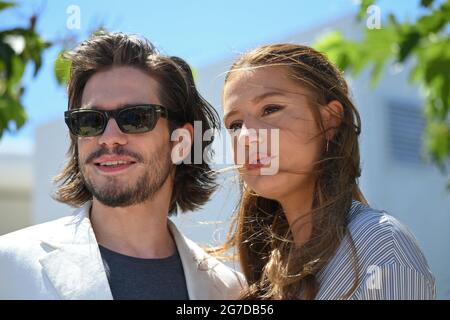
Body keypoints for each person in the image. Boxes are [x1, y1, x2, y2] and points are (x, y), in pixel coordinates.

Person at [0, 32, 244, 300]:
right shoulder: (8, 267)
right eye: (90, 121)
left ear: (181, 143)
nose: (109, 138)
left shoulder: (230, 290)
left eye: (136, 118)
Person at [220, 43, 436, 299]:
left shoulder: (381, 246)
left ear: (330, 119)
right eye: (235, 124)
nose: (246, 136)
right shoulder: (265, 277)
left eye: (270, 109)